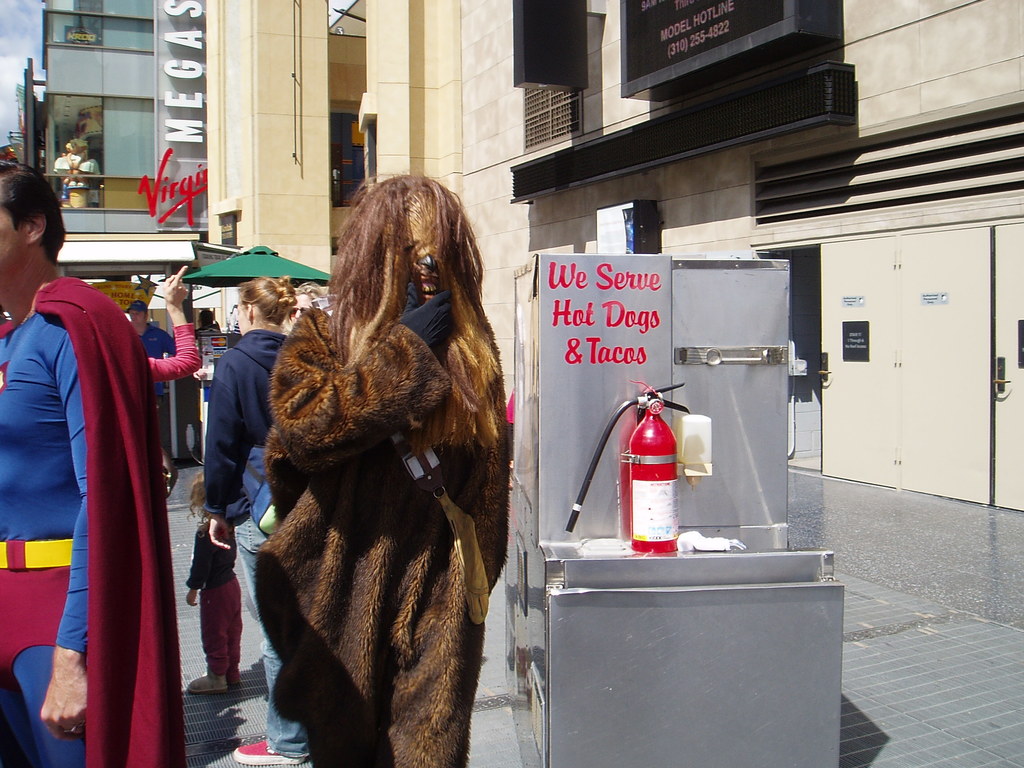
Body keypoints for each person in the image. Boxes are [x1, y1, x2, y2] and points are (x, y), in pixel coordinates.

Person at [255, 176, 510, 767]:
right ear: (379, 252)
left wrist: (474, 575)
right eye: (410, 250)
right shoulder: (324, 333)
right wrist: (404, 356)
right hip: (346, 581)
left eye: (438, 250)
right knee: (345, 749)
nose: (427, 267)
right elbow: (302, 435)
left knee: (427, 754)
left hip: (441, 586)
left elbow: (491, 470)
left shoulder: (472, 342)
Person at [0, 161, 184, 767]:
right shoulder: (12, 338)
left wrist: (73, 652)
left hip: (53, 614)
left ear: (31, 227)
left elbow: (100, 498)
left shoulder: (72, 326)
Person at [202, 276, 310, 766]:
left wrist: (217, 510)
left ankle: (288, 741)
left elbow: (220, 447)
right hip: (310, 505)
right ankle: (325, 724)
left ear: (247, 310)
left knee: (275, 628)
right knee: (313, 620)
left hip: (257, 505)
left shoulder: (235, 363)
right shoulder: (304, 358)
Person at [184, 477, 242, 695]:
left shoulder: (205, 533)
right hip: (232, 585)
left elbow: (201, 566)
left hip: (215, 591)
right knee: (233, 631)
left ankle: (216, 676)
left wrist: (193, 588)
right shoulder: (231, 527)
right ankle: (232, 673)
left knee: (214, 633)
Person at [128, 293, 181, 492]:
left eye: (137, 313)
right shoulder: (126, 333)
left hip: (153, 390)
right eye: (131, 313)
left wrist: (161, 367)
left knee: (152, 432)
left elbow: (178, 353)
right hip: (131, 391)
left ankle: (164, 470)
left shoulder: (158, 334)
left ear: (145, 315)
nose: (134, 316)